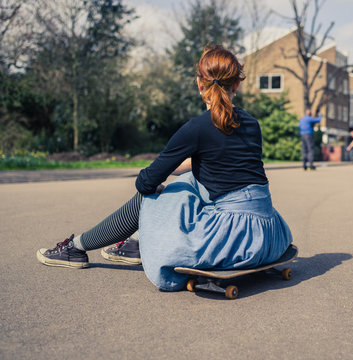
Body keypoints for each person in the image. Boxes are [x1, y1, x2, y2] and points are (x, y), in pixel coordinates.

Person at [36, 45, 293, 292]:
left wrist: (162, 179)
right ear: (237, 84)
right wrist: (177, 170)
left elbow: (145, 183)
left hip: (232, 239)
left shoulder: (196, 128)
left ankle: (78, 246)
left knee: (158, 192)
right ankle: (133, 243)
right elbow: (221, 163)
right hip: (269, 235)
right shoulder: (252, 124)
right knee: (190, 178)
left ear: (199, 83)